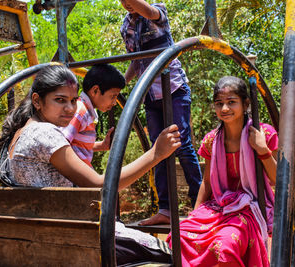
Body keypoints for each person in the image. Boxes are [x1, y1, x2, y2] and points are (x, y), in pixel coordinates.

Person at [0, 65, 180, 265]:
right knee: (172, 254)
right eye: (60, 100)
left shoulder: (19, 134)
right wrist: (156, 153)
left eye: (73, 100)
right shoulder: (45, 134)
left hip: (41, 235)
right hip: (70, 239)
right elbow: (101, 186)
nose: (70, 108)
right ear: (37, 101)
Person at [166, 76, 277, 266]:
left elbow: (278, 180)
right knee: (179, 235)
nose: (224, 109)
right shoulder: (212, 140)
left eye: (231, 102)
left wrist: (262, 150)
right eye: (219, 103)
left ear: (246, 104)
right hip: (220, 205)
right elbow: (207, 182)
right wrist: (194, 212)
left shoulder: (263, 134)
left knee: (225, 245)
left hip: (252, 206)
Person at [120, 0, 202, 225]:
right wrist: (121, 83)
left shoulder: (157, 11)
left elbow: (149, 11)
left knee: (181, 144)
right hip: (150, 95)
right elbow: (135, 62)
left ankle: (200, 202)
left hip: (173, 88)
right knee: (158, 149)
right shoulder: (125, 26)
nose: (127, 3)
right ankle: (165, 209)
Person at [61, 64, 125, 167]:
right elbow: (60, 144)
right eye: (113, 97)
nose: (114, 103)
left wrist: (102, 145)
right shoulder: (80, 111)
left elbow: (77, 145)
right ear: (95, 91)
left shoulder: (87, 112)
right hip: (73, 176)